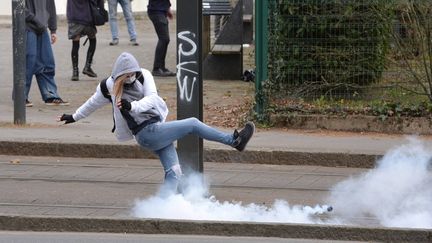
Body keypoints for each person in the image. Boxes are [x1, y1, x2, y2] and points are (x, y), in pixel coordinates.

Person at [58, 52, 255, 193]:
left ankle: (162, 209)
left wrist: (132, 106)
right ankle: (233, 141)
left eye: (132, 74)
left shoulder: (144, 75)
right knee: (193, 123)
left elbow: (152, 98)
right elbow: (92, 103)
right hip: (146, 133)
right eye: (126, 76)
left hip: (155, 130)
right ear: (118, 75)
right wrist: (74, 117)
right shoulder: (108, 86)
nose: (130, 78)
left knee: (174, 172)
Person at [23, 0, 69, 106]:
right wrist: (34, 20)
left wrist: (53, 29)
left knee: (46, 62)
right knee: (28, 62)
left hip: (42, 28)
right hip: (26, 27)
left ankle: (50, 95)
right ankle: (21, 96)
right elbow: (19, 7)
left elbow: (50, 6)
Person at [67, 0, 104, 81]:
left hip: (73, 16)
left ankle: (75, 72)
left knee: (75, 43)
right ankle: (87, 66)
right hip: (86, 17)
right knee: (92, 39)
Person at [147, 0, 175, 77]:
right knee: (164, 39)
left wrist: (167, 9)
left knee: (165, 39)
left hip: (160, 11)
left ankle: (161, 67)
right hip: (156, 11)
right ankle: (157, 68)